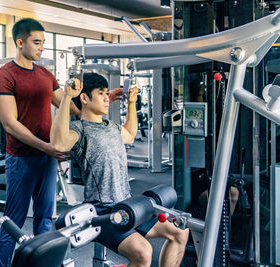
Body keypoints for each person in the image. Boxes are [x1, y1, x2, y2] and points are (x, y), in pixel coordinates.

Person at [51, 73, 189, 267]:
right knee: (143, 252)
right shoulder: (80, 129)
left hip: (128, 205)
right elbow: (58, 143)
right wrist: (66, 96)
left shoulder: (112, 127)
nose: (107, 98)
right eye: (101, 94)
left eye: (107, 93)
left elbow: (131, 135)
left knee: (180, 232)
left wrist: (131, 103)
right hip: (103, 212)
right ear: (84, 98)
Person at [0, 18, 83, 267]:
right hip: (21, 158)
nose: (42, 47)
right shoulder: (5, 75)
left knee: (45, 219)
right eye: (36, 42)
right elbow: (10, 123)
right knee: (13, 221)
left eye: (43, 42)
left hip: (47, 157)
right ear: (20, 42)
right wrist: (45, 147)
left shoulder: (45, 74)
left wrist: (102, 97)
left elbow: (70, 107)